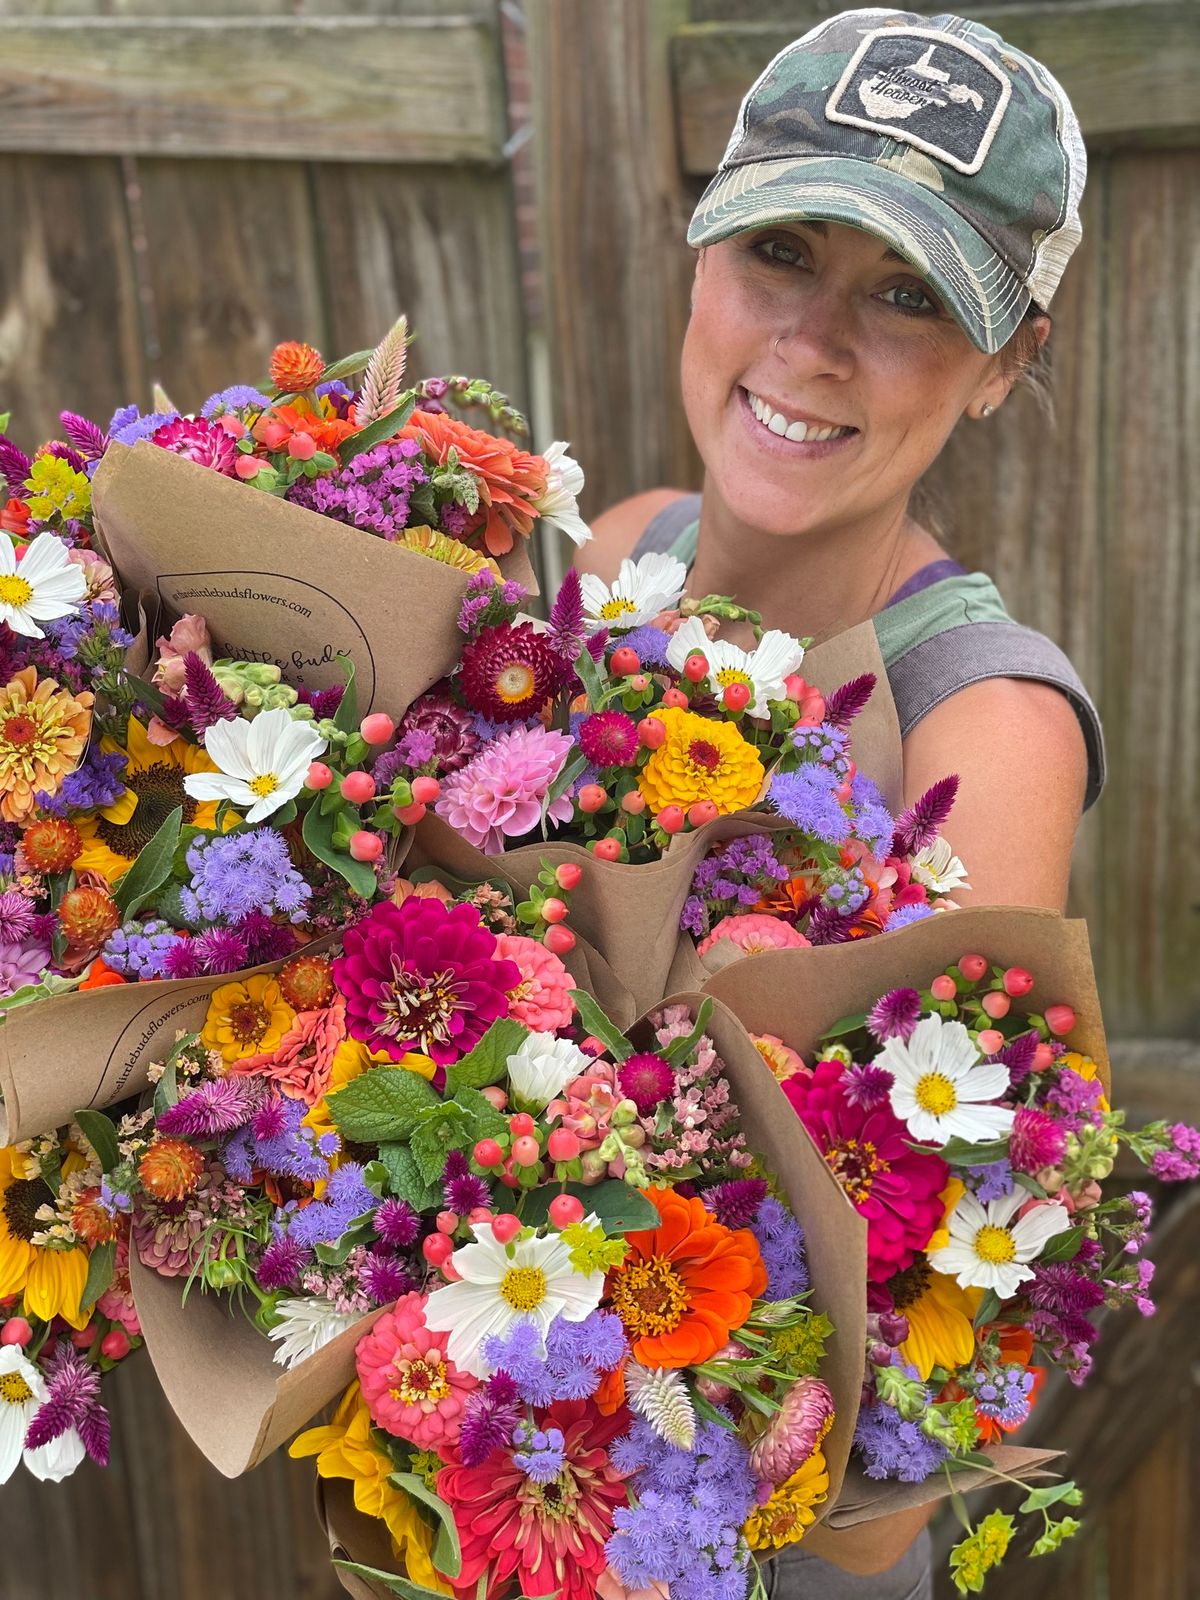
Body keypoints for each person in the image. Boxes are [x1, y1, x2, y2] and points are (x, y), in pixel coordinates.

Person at [578, 9, 1103, 1596]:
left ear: (1004, 365)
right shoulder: (622, 558)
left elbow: (913, 1284)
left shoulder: (987, 730)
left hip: (770, 1526)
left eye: (906, 295)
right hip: (505, 1445)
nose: (812, 343)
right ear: (698, 261)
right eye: (782, 252)